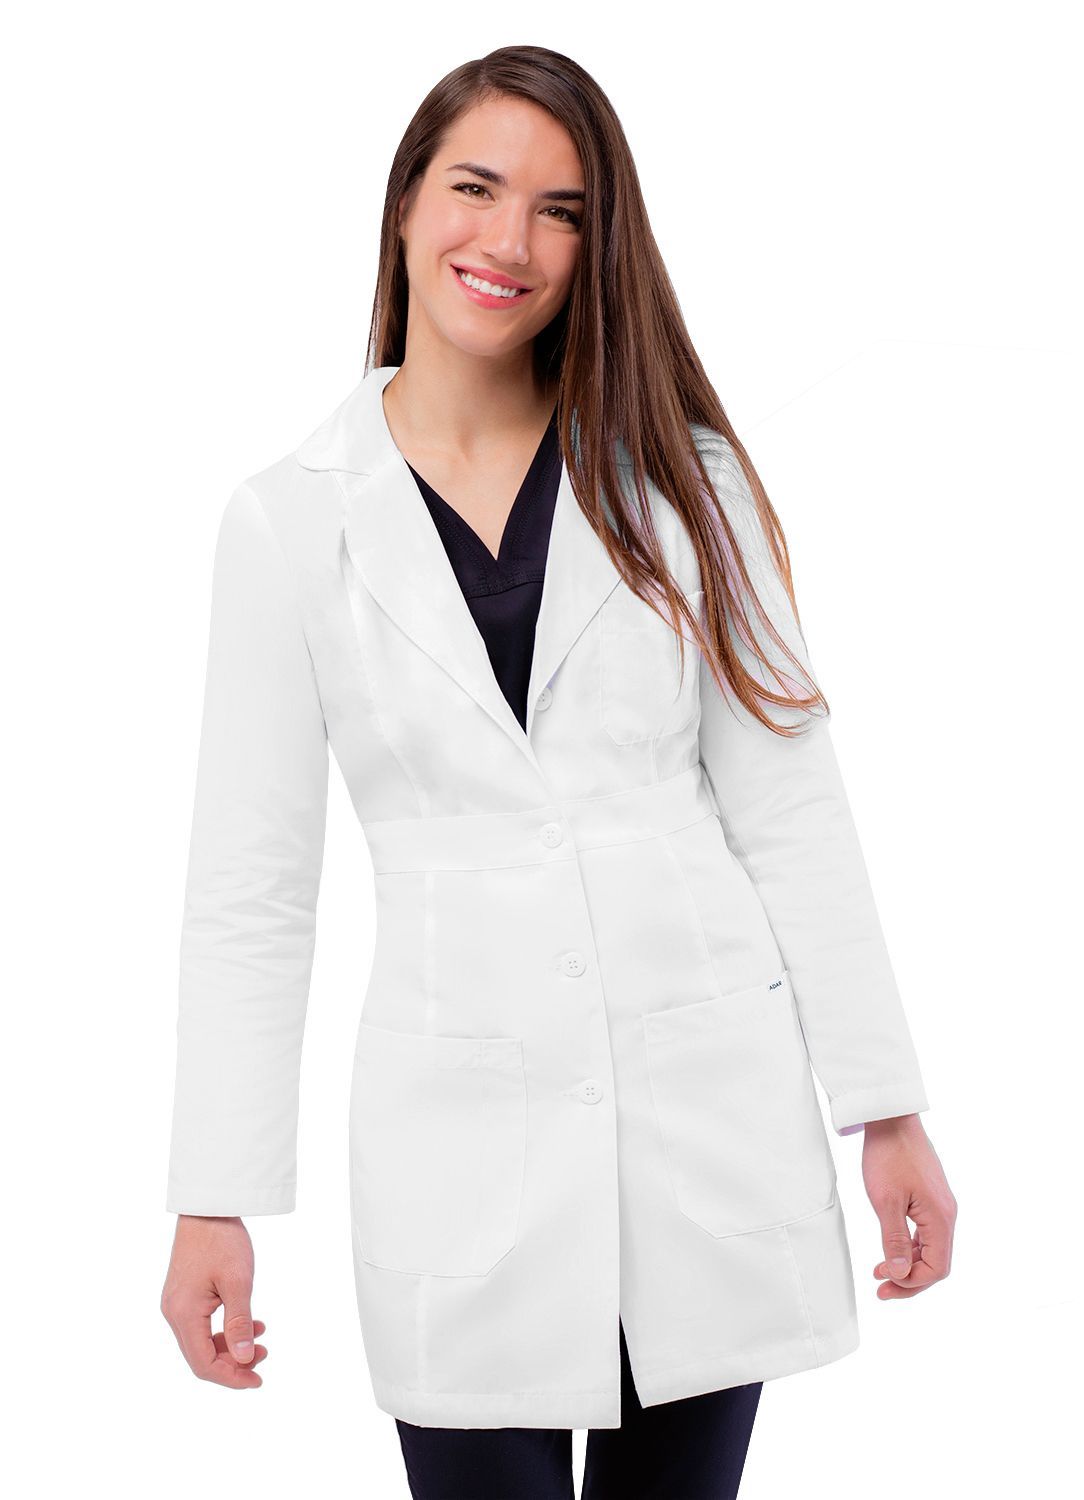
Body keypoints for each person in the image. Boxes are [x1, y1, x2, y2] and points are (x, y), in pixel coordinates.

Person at [160, 44, 957, 1500]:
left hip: (705, 1117)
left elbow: (789, 803)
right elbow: (251, 890)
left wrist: (885, 1107)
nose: (510, 242)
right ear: (407, 204)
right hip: (457, 1142)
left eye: (562, 211)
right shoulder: (289, 523)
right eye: (476, 188)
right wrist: (215, 1196)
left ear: (598, 245)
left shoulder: (684, 481)